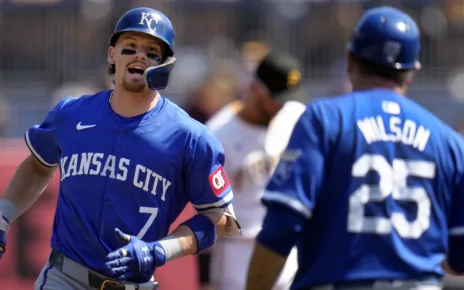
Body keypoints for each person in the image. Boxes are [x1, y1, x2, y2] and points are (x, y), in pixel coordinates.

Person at [0, 7, 240, 290]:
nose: (139, 55)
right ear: (112, 54)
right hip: (63, 278)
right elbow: (38, 164)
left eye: (152, 51)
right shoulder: (71, 114)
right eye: (130, 47)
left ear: (165, 66)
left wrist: (160, 250)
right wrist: (3, 215)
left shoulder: (191, 137)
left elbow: (220, 219)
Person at [246, 6, 464, 290]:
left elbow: (282, 226)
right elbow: (459, 257)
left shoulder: (324, 120)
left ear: (350, 59)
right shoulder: (449, 142)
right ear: (412, 71)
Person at [198, 50, 308, 290]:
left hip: (287, 252)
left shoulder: (294, 115)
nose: (282, 105)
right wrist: (205, 280)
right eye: (276, 98)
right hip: (236, 257)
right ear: (256, 88)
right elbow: (206, 215)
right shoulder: (217, 136)